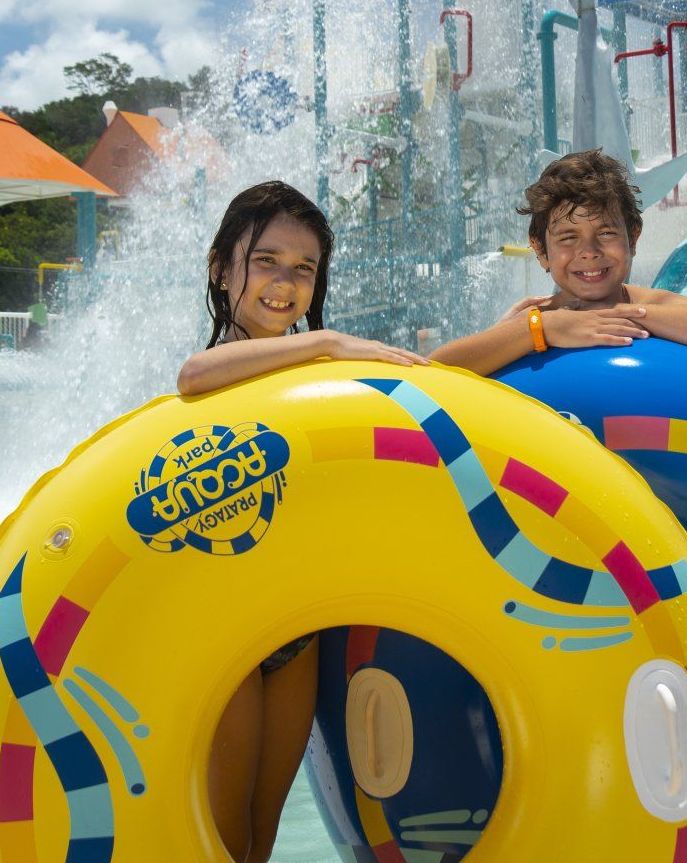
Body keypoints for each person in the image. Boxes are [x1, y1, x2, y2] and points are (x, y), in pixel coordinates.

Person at [176, 180, 427, 863]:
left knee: (260, 833)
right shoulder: (231, 367)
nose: (284, 283)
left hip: (294, 630)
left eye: (304, 269)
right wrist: (329, 343)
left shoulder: (314, 378)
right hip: (223, 625)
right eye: (266, 261)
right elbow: (194, 374)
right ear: (219, 267)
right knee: (221, 832)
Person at [432, 150, 687, 375]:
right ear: (541, 251)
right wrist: (540, 329)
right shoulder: (540, 318)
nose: (589, 251)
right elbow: (436, 371)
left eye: (607, 232)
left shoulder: (650, 306)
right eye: (568, 238)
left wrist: (625, 315)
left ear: (633, 238)